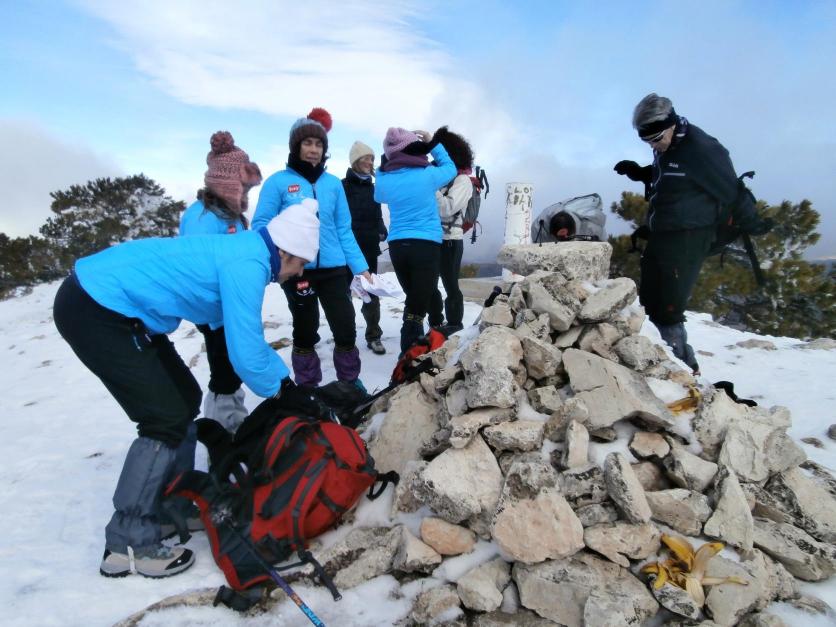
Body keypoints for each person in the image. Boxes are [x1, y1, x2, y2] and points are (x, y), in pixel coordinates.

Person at [53, 203, 321, 579]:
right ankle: (128, 544)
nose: (300, 272)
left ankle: (168, 507)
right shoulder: (248, 263)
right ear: (286, 251)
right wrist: (282, 388)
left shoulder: (247, 251)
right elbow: (246, 351)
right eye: (301, 263)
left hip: (114, 304)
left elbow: (231, 326)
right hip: (96, 306)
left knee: (183, 398)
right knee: (163, 417)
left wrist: (280, 383)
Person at [614, 93, 742, 373]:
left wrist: (715, 230)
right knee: (649, 301)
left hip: (688, 239)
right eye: (647, 142)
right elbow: (675, 176)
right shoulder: (669, 145)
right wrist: (642, 173)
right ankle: (657, 362)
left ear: (671, 124)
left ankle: (683, 372)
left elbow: (731, 193)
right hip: (663, 234)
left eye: (656, 139)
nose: (653, 146)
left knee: (668, 308)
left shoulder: (703, 149)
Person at [252, 108, 371, 389]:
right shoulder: (278, 182)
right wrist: (279, 259)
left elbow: (344, 229)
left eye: (319, 144)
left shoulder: (333, 185)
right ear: (296, 146)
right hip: (297, 270)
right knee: (305, 329)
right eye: (307, 143)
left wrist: (361, 267)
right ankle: (307, 385)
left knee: (345, 325)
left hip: (334, 268)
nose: (314, 149)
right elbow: (261, 225)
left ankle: (350, 382)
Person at [179, 130, 262, 432]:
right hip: (215, 311)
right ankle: (222, 427)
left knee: (231, 367)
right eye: (241, 184)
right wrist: (216, 317)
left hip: (231, 307)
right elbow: (195, 272)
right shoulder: (201, 218)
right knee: (223, 370)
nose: (245, 191)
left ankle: (231, 419)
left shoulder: (231, 215)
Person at [374, 127, 456, 354]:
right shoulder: (428, 174)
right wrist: (433, 142)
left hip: (398, 246)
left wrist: (385, 163)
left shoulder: (385, 180)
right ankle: (409, 356)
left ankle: (426, 341)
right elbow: (450, 168)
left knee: (416, 297)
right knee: (415, 308)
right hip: (426, 244)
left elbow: (378, 193)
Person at [342, 140, 388, 355]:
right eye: (366, 159)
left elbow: (377, 214)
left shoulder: (374, 187)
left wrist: (381, 228)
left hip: (368, 247)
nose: (371, 162)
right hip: (345, 248)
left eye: (372, 159)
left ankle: (374, 336)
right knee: (343, 293)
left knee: (371, 291)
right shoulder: (342, 186)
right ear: (356, 161)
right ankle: (345, 336)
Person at [428, 128, 474, 334]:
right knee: (429, 283)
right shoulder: (440, 176)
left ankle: (455, 324)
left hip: (450, 240)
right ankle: (435, 321)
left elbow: (447, 208)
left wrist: (430, 187)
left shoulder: (462, 181)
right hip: (431, 238)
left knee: (450, 285)